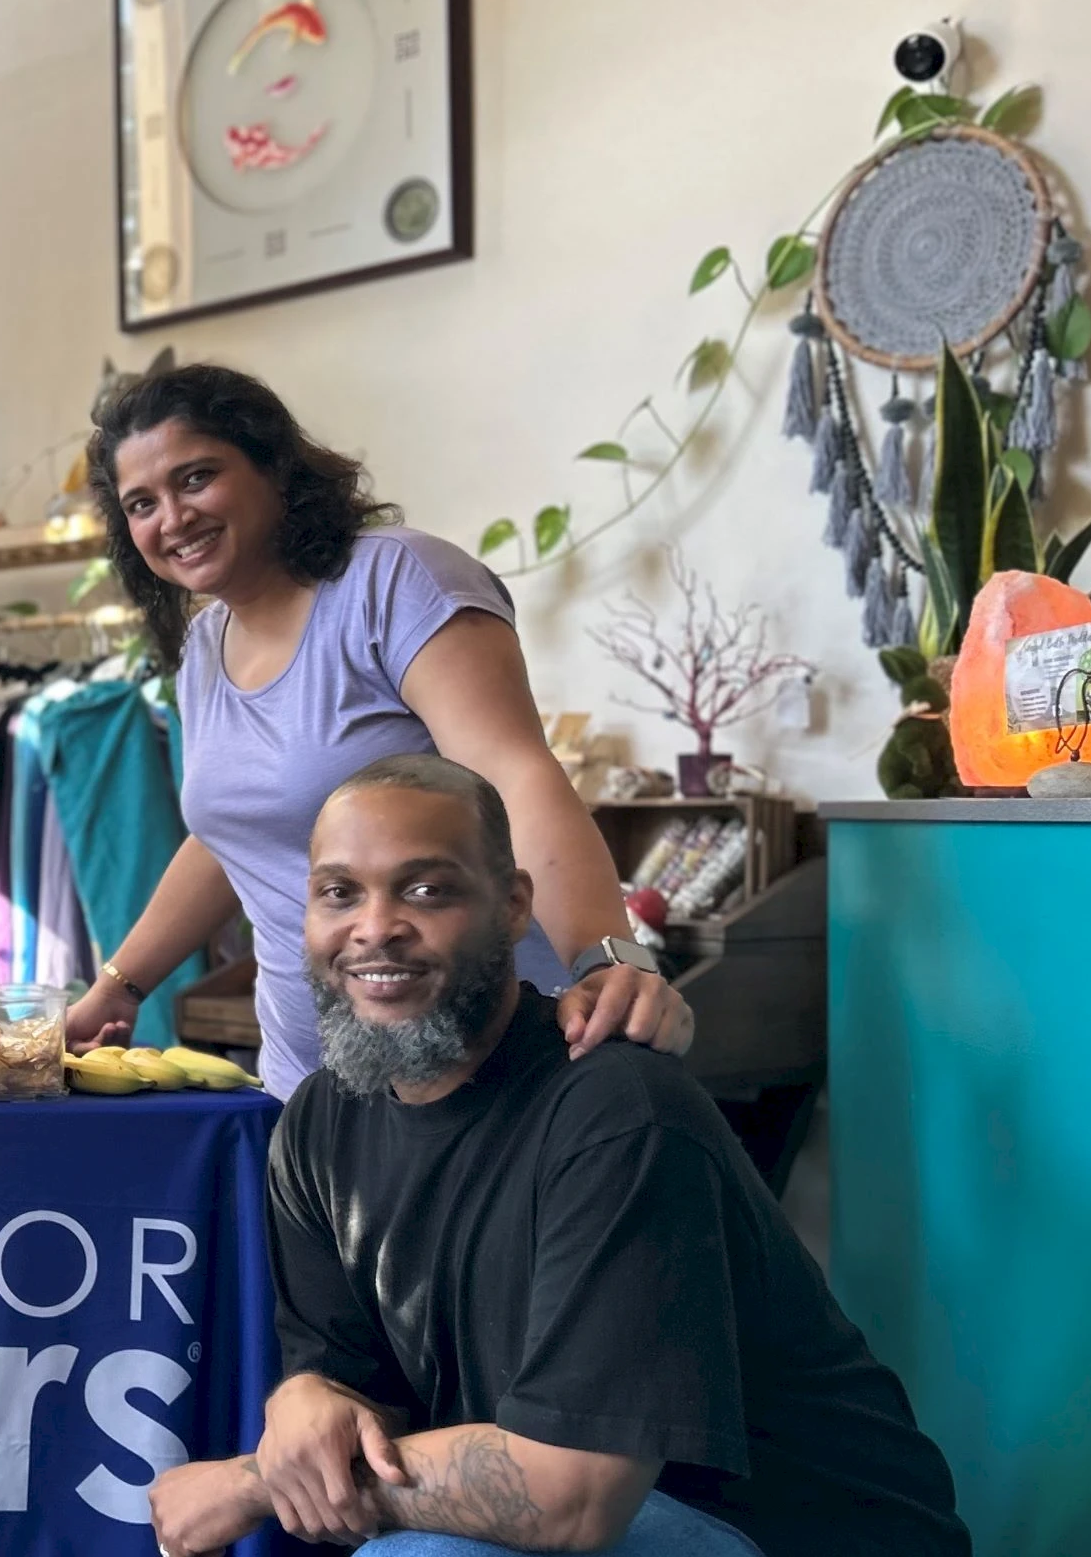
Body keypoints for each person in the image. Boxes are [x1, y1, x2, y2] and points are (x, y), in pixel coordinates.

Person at [146, 755, 970, 1557]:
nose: (374, 926)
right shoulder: (318, 1123)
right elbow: (335, 1379)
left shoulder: (615, 1109)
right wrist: (299, 1405)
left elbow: (568, 1491)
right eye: (338, 890)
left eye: (426, 888)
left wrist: (260, 1479)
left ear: (511, 904)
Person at [63, 360, 691, 1098]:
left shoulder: (396, 582)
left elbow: (514, 774)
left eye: (197, 477)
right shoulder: (204, 649)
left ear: (273, 467)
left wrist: (607, 959)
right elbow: (226, 834)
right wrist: (122, 985)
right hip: (314, 1081)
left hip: (489, 1062)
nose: (172, 518)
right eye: (141, 504)